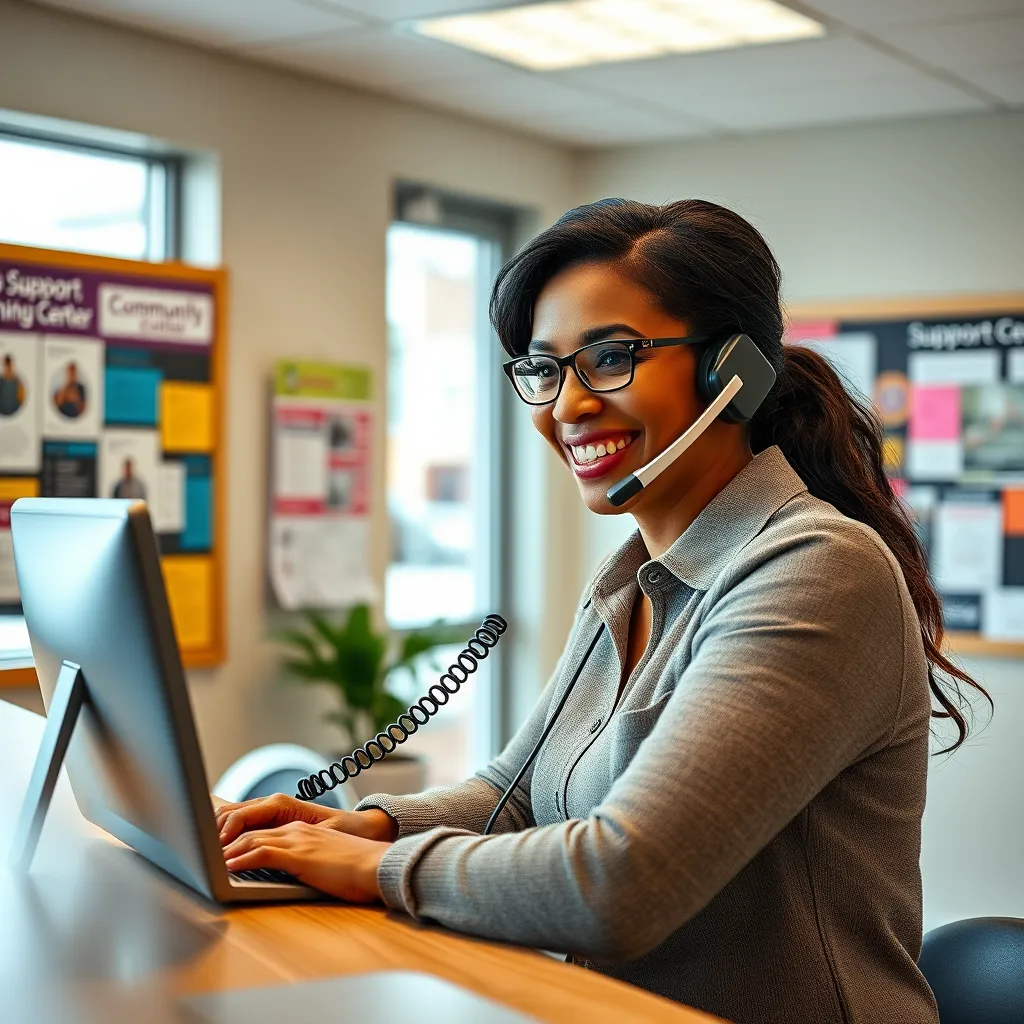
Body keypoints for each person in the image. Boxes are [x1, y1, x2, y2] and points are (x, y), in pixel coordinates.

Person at [214, 200, 989, 1024]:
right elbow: (515, 795)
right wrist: (364, 825)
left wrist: (372, 869)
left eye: (611, 357)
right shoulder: (632, 578)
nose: (568, 404)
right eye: (544, 369)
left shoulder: (816, 570)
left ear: (736, 371)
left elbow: (623, 884)